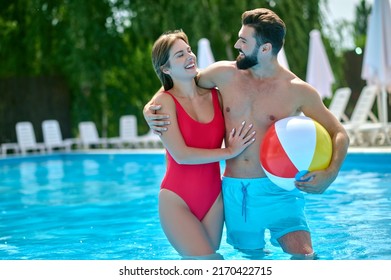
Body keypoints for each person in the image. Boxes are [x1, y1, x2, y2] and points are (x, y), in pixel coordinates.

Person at [144, 9, 349, 259]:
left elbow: (338, 132)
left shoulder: (298, 91)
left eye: (244, 41)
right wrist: (150, 107)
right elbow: (177, 79)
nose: (236, 45)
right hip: (235, 192)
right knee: (250, 261)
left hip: (278, 191)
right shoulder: (223, 74)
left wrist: (331, 173)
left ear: (265, 49)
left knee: (305, 257)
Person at [148, 30, 256, 260]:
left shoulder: (217, 96)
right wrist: (229, 151)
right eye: (179, 55)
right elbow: (181, 155)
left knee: (207, 260)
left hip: (213, 198)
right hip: (177, 199)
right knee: (210, 261)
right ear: (166, 69)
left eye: (188, 50)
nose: (190, 56)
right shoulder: (163, 103)